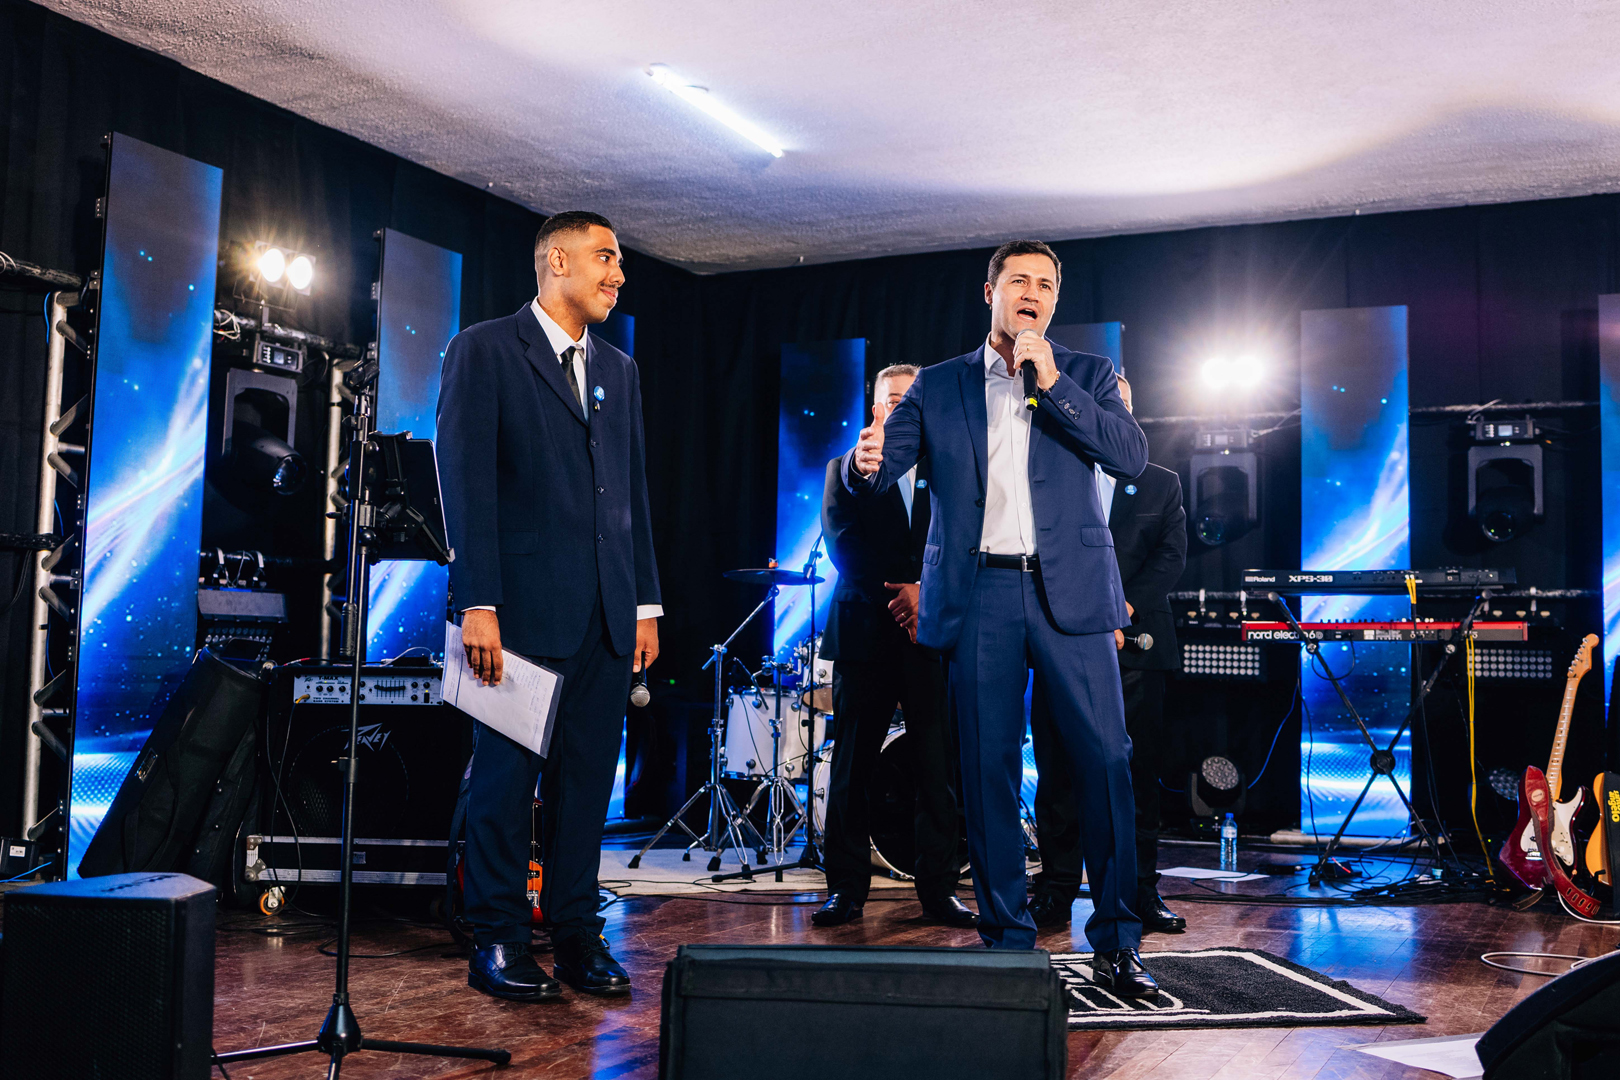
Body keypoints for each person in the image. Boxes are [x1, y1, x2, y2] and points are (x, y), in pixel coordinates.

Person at [847, 240, 1158, 996]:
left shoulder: (1087, 373)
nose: (1033, 293)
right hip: (979, 591)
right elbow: (884, 468)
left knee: (1106, 760)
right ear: (989, 291)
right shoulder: (939, 383)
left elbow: (1130, 457)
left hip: (1072, 594)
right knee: (987, 769)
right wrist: (865, 463)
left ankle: (1118, 939)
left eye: (1046, 284)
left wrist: (1052, 382)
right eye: (1019, 279)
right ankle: (1007, 939)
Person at [438, 211, 661, 1002]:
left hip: (606, 613)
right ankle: (497, 938)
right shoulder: (484, 349)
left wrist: (645, 603)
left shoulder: (620, 371)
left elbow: (630, 495)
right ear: (557, 261)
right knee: (504, 786)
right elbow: (464, 482)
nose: (618, 274)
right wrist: (478, 601)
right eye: (606, 257)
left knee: (587, 785)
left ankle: (575, 934)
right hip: (515, 615)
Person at [813, 364, 977, 930]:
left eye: (912, 399)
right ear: (876, 408)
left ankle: (939, 890)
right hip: (865, 634)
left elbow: (964, 543)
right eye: (893, 399)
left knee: (937, 769)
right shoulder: (843, 468)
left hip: (933, 637)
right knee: (852, 768)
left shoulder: (949, 468)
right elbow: (844, 546)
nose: (902, 406)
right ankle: (845, 889)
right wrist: (903, 597)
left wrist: (926, 594)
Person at [1027, 372, 1189, 934]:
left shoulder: (1161, 482)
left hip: (1137, 647)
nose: (1112, 408)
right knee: (1057, 774)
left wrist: (1120, 610)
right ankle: (1055, 889)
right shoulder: (1051, 473)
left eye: (1121, 401)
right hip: (1060, 641)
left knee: (1137, 776)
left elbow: (1170, 557)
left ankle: (1141, 890)